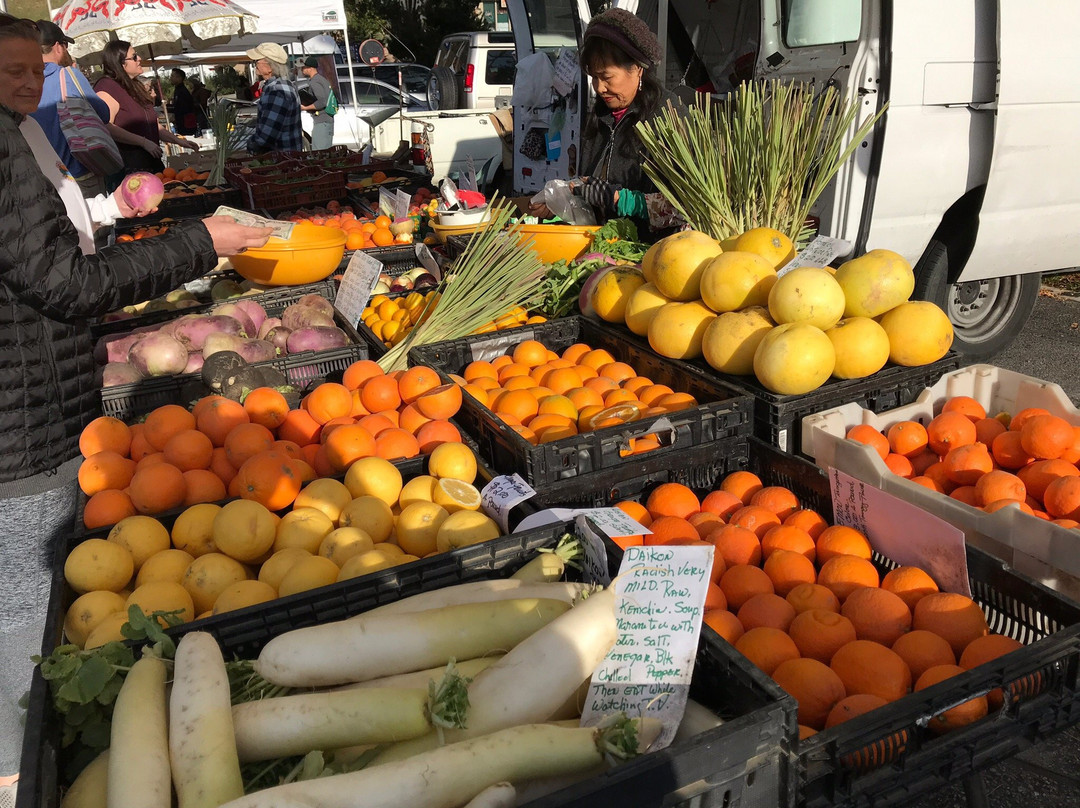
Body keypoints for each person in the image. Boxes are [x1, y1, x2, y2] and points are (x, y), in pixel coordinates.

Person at [0, 16, 272, 791]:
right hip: (18, 420)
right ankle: (16, 769)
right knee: (24, 604)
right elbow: (63, 284)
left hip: (38, 401)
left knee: (30, 593)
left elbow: (47, 248)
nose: (28, 81)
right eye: (9, 67)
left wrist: (113, 209)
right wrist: (201, 242)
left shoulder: (20, 133)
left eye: (34, 66)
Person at [530, 8, 679, 232]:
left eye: (607, 77)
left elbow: (686, 205)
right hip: (605, 248)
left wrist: (621, 199)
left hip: (655, 254)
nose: (599, 88)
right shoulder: (601, 117)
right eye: (594, 77)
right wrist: (560, 202)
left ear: (637, 68)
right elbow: (591, 188)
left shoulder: (668, 117)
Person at [29, 19, 112, 199]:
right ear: (58, 47)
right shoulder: (68, 75)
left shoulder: (24, 82)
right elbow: (104, 115)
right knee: (96, 224)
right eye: (66, 46)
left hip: (46, 178)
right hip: (80, 171)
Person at [94, 40, 198, 176]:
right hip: (129, 168)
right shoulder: (107, 87)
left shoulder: (135, 85)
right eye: (134, 57)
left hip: (151, 164)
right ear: (120, 63)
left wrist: (179, 141)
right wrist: (143, 142)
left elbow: (153, 125)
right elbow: (107, 126)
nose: (140, 59)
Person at [245, 42, 302, 153]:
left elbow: (266, 136)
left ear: (270, 67)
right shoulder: (284, 85)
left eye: (257, 61)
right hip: (288, 158)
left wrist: (250, 145)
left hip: (281, 161)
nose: (254, 64)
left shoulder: (277, 90)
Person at [299, 55, 335, 150]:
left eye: (304, 67)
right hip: (325, 121)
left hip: (322, 121)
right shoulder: (321, 79)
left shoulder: (315, 82)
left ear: (310, 68)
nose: (302, 70)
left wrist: (305, 108)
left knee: (320, 153)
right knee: (323, 152)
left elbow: (322, 102)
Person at [169, 67, 198, 135]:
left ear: (179, 78)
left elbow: (183, 107)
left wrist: (174, 114)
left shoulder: (182, 91)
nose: (170, 78)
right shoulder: (178, 90)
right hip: (182, 122)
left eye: (172, 76)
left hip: (186, 124)